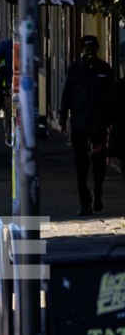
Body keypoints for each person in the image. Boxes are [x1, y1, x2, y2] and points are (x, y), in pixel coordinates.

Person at [60, 34, 116, 215]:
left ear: (97, 50)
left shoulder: (105, 70)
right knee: (81, 165)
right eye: (86, 49)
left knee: (98, 162)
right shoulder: (75, 69)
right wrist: (62, 117)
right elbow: (67, 94)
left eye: (93, 49)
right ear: (82, 50)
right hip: (79, 123)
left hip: (99, 125)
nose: (90, 52)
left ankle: (98, 191)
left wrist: (111, 120)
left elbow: (112, 97)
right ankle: (84, 202)